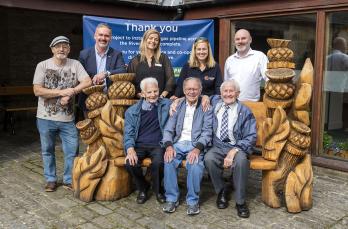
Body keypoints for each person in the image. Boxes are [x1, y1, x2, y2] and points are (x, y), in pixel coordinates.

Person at [33, 36, 92, 192]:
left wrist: (72, 91)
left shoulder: (75, 64)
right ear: (52, 49)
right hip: (45, 117)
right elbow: (37, 90)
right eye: (58, 46)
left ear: (69, 49)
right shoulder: (43, 65)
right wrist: (61, 92)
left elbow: (87, 81)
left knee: (72, 150)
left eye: (65, 46)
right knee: (47, 150)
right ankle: (51, 179)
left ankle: (68, 179)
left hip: (67, 119)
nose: (61, 49)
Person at [204, 80, 257, 218]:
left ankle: (240, 202)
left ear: (237, 93)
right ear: (220, 94)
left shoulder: (245, 111)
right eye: (225, 91)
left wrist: (234, 150)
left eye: (231, 91)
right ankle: (222, 190)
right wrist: (176, 100)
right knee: (209, 159)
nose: (228, 94)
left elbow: (251, 136)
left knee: (241, 162)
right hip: (218, 145)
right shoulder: (215, 102)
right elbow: (195, 94)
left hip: (237, 146)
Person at [162, 77, 213, 216]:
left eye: (195, 89)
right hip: (177, 143)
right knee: (169, 160)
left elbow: (207, 132)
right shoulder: (177, 105)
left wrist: (197, 149)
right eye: (189, 89)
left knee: (195, 164)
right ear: (184, 91)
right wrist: (169, 146)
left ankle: (192, 201)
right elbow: (168, 130)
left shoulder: (206, 107)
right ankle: (172, 198)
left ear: (200, 90)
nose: (192, 92)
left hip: (195, 144)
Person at [124, 77, 171, 204]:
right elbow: (128, 133)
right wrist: (130, 149)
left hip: (158, 144)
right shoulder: (132, 111)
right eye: (149, 92)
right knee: (130, 163)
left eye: (155, 91)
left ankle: (158, 189)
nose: (153, 95)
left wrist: (205, 98)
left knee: (159, 163)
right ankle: (143, 188)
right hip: (139, 145)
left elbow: (185, 99)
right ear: (143, 94)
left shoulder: (166, 104)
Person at [78, 23, 126, 113]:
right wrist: (93, 81)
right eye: (100, 35)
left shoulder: (116, 54)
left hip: (110, 102)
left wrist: (106, 73)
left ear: (110, 38)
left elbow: (123, 70)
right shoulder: (84, 54)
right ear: (95, 36)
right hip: (89, 101)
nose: (103, 38)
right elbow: (79, 77)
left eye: (107, 36)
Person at [127, 28, 175, 99]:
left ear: (158, 43)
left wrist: (162, 96)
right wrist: (139, 95)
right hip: (140, 101)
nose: (153, 41)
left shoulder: (163, 58)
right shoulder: (135, 61)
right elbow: (130, 82)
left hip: (161, 100)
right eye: (150, 38)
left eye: (156, 39)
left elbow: (170, 78)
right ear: (145, 40)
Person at [224, 29, 268, 102]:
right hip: (232, 104)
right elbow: (226, 84)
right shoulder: (229, 60)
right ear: (234, 42)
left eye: (243, 38)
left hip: (252, 105)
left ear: (250, 40)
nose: (240, 41)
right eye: (237, 39)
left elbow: (269, 79)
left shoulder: (260, 56)